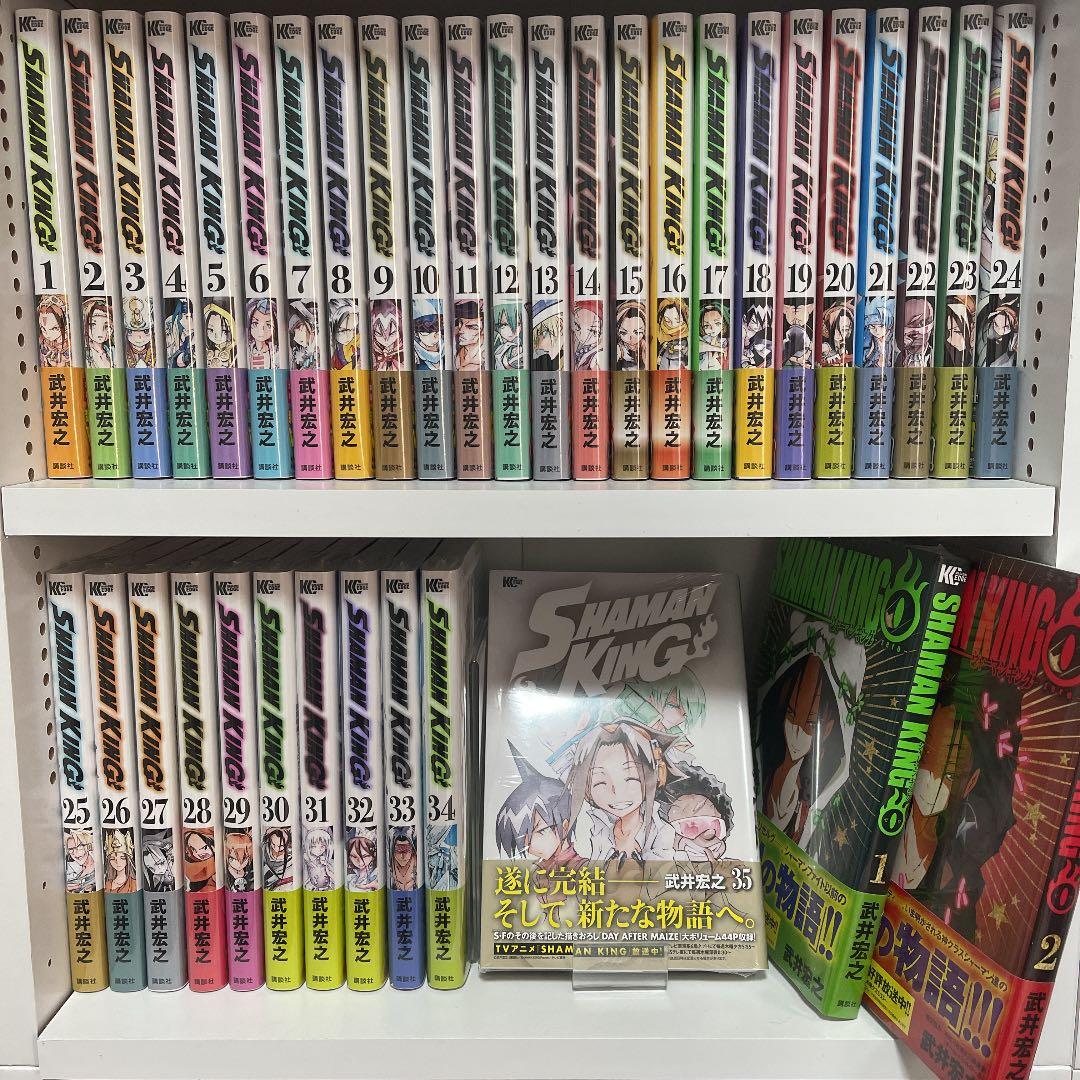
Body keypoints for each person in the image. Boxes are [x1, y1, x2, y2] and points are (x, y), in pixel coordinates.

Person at [495, 741, 584, 869]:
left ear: (565, 827)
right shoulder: (537, 870)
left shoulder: (583, 868)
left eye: (540, 832)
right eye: (523, 838)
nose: (531, 846)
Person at [37, 296, 71, 367]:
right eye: (43, 328)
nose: (47, 334)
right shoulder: (43, 342)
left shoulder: (71, 341)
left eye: (54, 328)